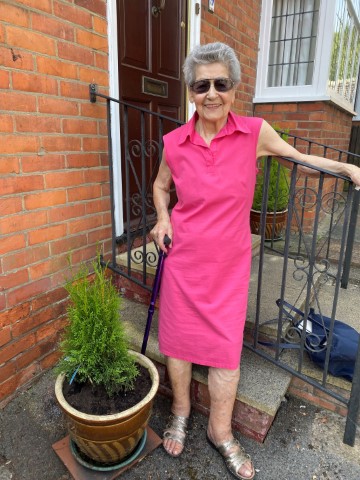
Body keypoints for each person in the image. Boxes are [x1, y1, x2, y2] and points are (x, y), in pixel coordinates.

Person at [150, 42, 360, 480]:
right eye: (202, 84)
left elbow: (300, 158)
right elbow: (160, 185)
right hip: (184, 261)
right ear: (190, 91)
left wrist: (349, 171)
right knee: (179, 345)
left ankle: (220, 430)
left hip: (227, 270)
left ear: (234, 88)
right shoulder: (174, 142)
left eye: (221, 84)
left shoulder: (254, 133)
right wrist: (162, 219)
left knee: (226, 355)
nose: (212, 93)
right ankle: (182, 414)